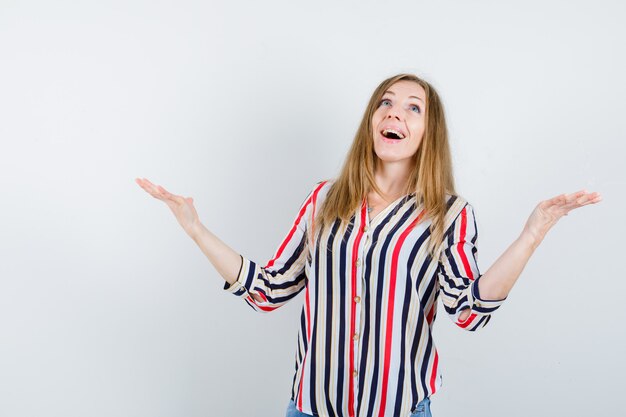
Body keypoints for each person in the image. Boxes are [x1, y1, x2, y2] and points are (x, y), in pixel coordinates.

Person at [135, 73, 602, 417]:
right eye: (386, 103)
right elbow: (270, 289)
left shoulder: (449, 214)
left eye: (413, 107)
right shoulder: (324, 199)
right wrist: (196, 229)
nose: (395, 112)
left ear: (426, 133)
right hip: (312, 408)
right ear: (373, 121)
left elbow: (469, 310)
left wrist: (532, 233)